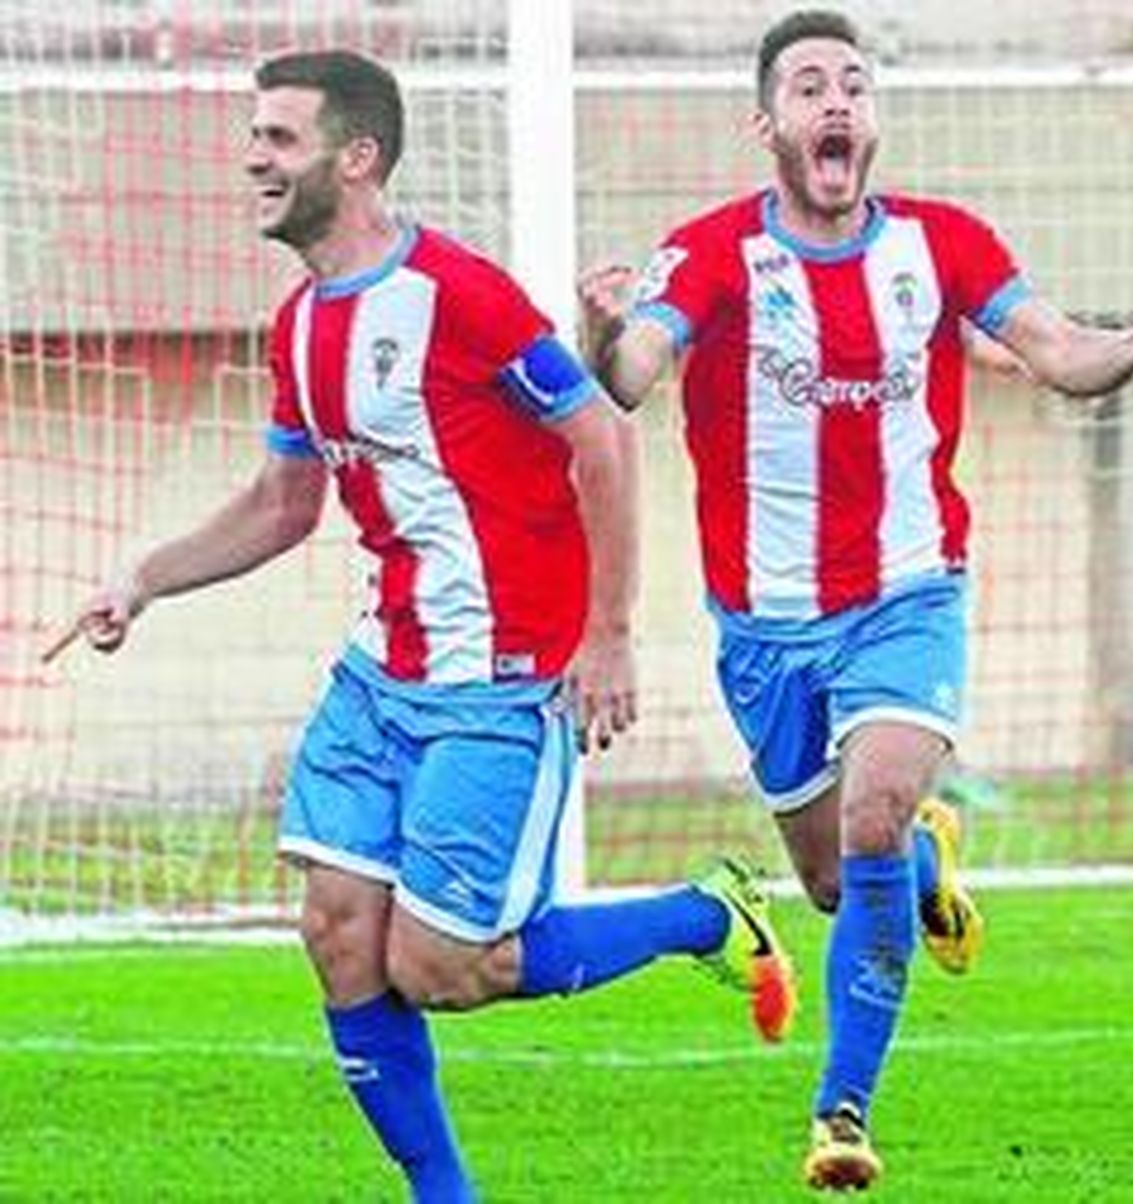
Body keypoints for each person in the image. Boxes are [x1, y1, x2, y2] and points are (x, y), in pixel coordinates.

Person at [57, 49, 796, 1204]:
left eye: (280, 139)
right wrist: (144, 577)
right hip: (378, 673)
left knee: (443, 967)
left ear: (355, 159)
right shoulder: (299, 325)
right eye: (254, 136)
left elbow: (600, 434)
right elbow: (283, 502)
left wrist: (608, 633)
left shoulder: (461, 294)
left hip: (502, 679)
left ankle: (703, 914)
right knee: (340, 935)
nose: (254, 157)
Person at [579, 8, 1133, 1192]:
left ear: (872, 119)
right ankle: (926, 866)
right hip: (762, 626)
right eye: (809, 87)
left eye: (854, 85)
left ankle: (840, 1113)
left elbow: (1059, 354)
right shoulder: (709, 253)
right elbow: (628, 380)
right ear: (767, 124)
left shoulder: (944, 244)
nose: (836, 105)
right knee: (833, 877)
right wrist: (601, 329)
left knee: (867, 816)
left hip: (906, 596)